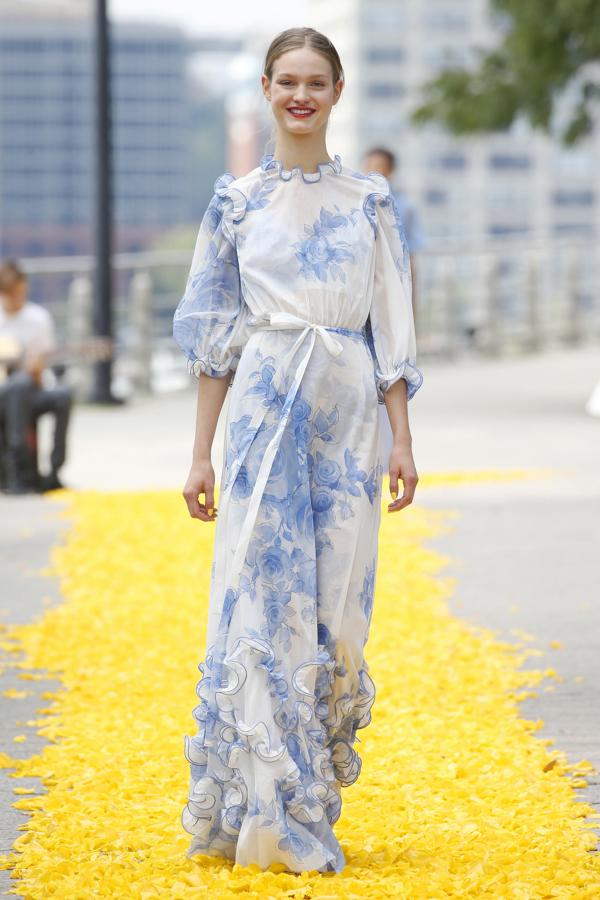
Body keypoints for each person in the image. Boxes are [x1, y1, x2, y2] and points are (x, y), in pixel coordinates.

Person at [173, 27, 423, 874]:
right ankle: (272, 817)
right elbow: (216, 340)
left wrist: (403, 437)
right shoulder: (236, 203)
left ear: (339, 90)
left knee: (338, 617)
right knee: (261, 605)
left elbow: (391, 322)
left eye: (316, 81)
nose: (300, 95)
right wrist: (200, 454)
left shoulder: (369, 202)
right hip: (262, 410)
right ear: (268, 87)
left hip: (349, 416)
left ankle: (309, 790)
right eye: (287, 81)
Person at [362, 147, 425, 468]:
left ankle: (390, 450)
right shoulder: (355, 201)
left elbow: (410, 259)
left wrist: (410, 310)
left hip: (393, 294)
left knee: (390, 374)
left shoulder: (405, 208)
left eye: (380, 169)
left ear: (391, 172)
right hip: (360, 303)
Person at [0, 259, 73, 493]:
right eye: (13, 294)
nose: (18, 298)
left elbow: (44, 370)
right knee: (17, 386)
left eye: (22, 292)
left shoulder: (38, 318)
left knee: (63, 395)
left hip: (32, 391)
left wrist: (37, 370)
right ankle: (18, 470)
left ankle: (53, 471)